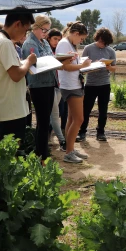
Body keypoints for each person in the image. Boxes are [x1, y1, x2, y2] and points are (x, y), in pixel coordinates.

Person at [22, 15, 72, 161]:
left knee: (45, 122)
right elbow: (37, 65)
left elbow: (50, 58)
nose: (45, 33)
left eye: (47, 31)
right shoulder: (30, 44)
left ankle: (42, 153)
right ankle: (41, 155)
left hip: (49, 84)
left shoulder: (43, 42)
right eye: (44, 30)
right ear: (35, 27)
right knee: (43, 122)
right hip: (39, 86)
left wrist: (62, 58)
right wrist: (56, 62)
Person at [0, 8, 37, 150]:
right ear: (17, 24)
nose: (25, 35)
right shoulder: (5, 43)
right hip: (12, 109)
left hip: (4, 107)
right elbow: (16, 75)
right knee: (12, 152)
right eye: (26, 30)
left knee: (6, 152)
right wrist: (29, 61)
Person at [56, 21, 91, 163]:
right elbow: (63, 66)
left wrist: (81, 64)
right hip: (70, 86)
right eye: (81, 38)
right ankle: (69, 152)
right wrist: (82, 65)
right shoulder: (64, 43)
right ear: (76, 34)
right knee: (79, 119)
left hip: (74, 84)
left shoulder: (69, 43)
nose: (81, 41)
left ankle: (71, 148)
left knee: (72, 119)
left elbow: (69, 63)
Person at [78, 27, 117, 142]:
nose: (102, 44)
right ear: (97, 38)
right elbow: (82, 67)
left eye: (104, 43)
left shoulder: (111, 51)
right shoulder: (88, 48)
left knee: (103, 110)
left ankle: (101, 132)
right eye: (100, 41)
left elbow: (115, 68)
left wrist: (109, 67)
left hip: (105, 84)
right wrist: (93, 65)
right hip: (90, 84)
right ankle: (82, 132)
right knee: (86, 109)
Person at [47, 28, 66, 151]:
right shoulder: (46, 51)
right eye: (55, 39)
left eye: (59, 40)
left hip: (59, 86)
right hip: (49, 86)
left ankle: (48, 138)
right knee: (54, 115)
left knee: (52, 114)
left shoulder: (59, 51)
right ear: (48, 38)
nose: (57, 42)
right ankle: (62, 141)